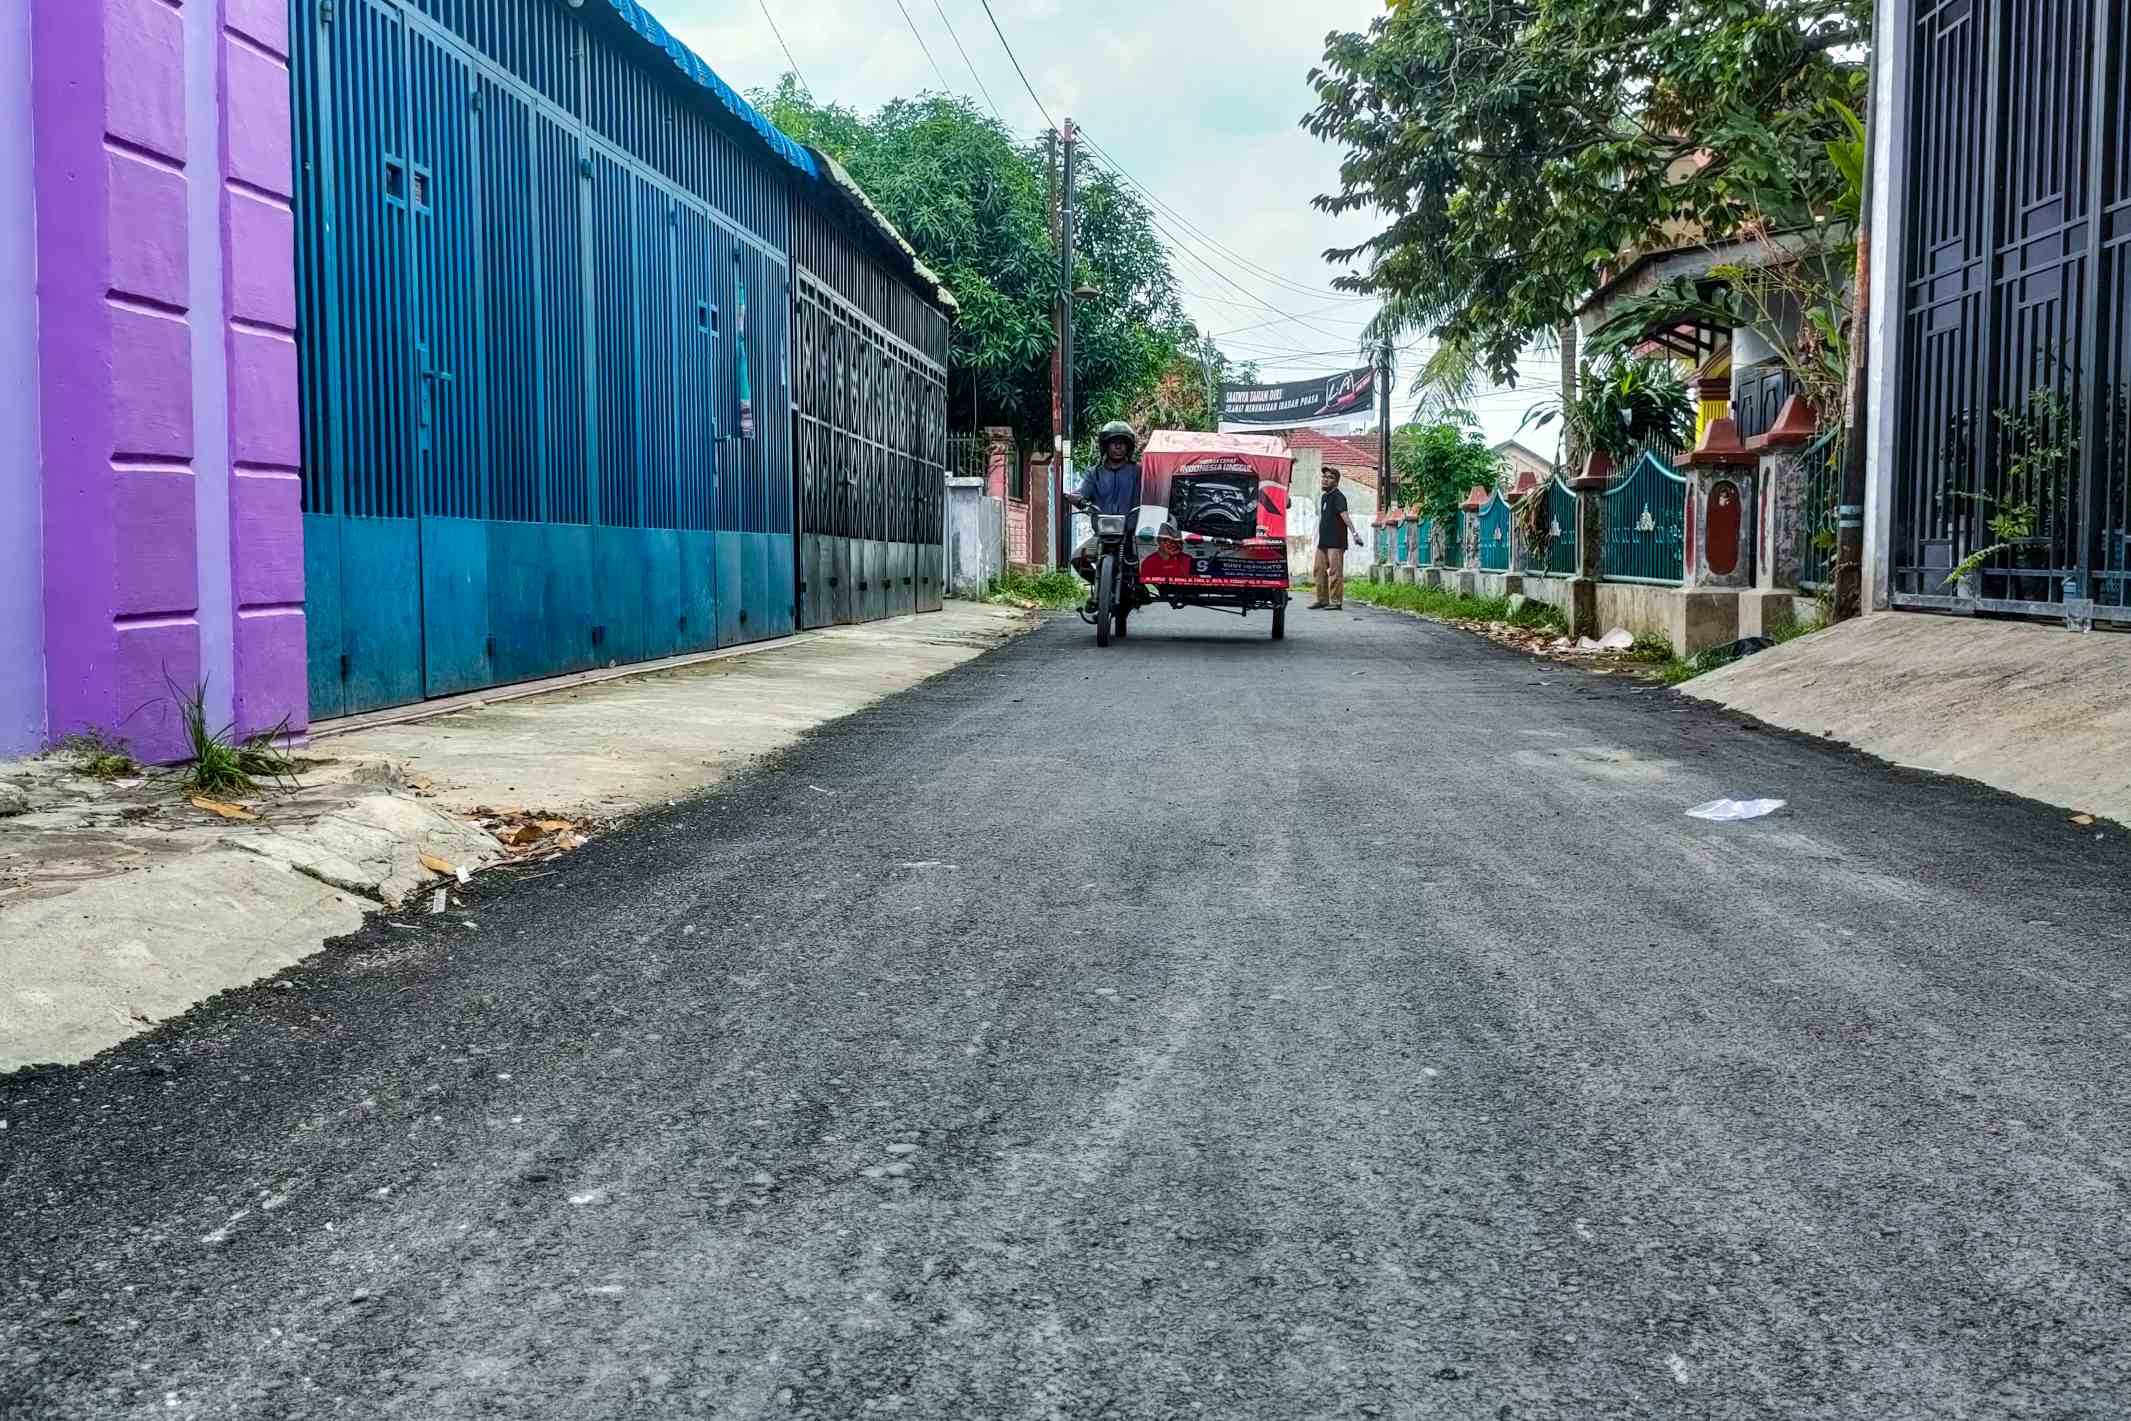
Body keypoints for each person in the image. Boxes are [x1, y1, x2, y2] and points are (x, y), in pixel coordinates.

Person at [1311, 465, 1363, 609]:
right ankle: (1322, 600)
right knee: (1318, 569)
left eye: (1329, 478)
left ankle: (1336, 601)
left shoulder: (1338, 497)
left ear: (1336, 482)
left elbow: (1344, 516)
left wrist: (1355, 534)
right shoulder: (1324, 497)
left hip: (1336, 542)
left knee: (1335, 572)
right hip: (1323, 542)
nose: (1325, 480)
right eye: (1324, 477)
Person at [1069, 421, 1143, 520]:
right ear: (1105, 446)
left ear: (1129, 446)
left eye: (1123, 443)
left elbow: (1151, 494)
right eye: (1113, 442)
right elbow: (1081, 493)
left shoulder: (1139, 471)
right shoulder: (1094, 473)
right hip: (1101, 530)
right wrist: (1077, 498)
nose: (1118, 446)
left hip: (1131, 531)